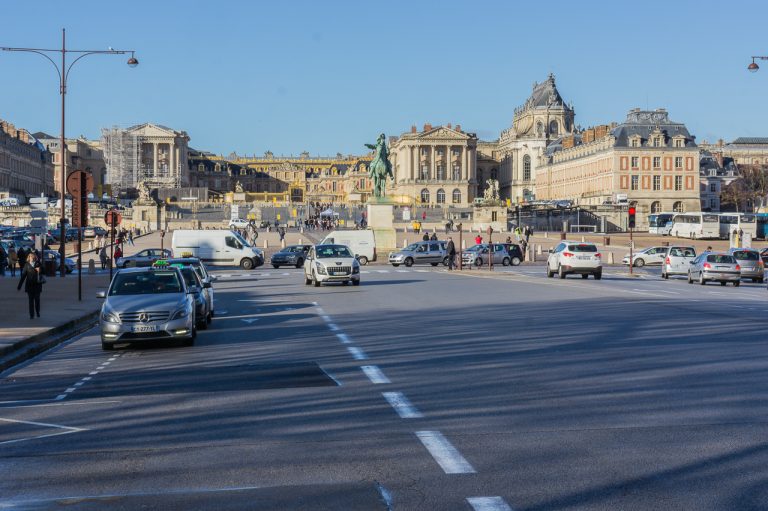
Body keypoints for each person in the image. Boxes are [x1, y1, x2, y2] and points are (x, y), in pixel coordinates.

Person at [17, 251, 43, 319]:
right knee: (30, 301)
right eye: (31, 257)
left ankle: (37, 311)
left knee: (37, 300)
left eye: (33, 257)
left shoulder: (38, 264)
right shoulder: (26, 265)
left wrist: (39, 270)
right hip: (29, 286)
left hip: (37, 285)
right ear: (29, 258)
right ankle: (31, 315)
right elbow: (23, 276)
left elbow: (44, 271)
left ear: (35, 257)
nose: (32, 258)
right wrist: (19, 286)